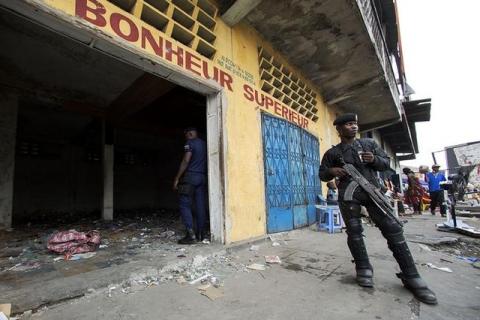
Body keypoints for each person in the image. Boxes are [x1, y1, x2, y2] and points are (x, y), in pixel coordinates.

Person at [319, 113, 437, 305]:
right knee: (354, 232)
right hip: (349, 196)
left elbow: (386, 165)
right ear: (339, 129)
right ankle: (363, 268)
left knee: (393, 229)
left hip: (373, 192)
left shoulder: (369, 145)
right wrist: (332, 171)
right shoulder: (333, 153)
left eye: (355, 124)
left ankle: (411, 275)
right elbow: (322, 174)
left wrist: (374, 159)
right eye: (349, 124)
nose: (354, 127)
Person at [173, 127, 208, 244]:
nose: (186, 137)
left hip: (191, 177)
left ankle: (190, 235)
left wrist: (177, 178)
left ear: (190, 133)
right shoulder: (204, 144)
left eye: (186, 135)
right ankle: (201, 234)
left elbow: (186, 160)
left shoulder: (190, 143)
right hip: (202, 177)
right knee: (200, 205)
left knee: (184, 203)